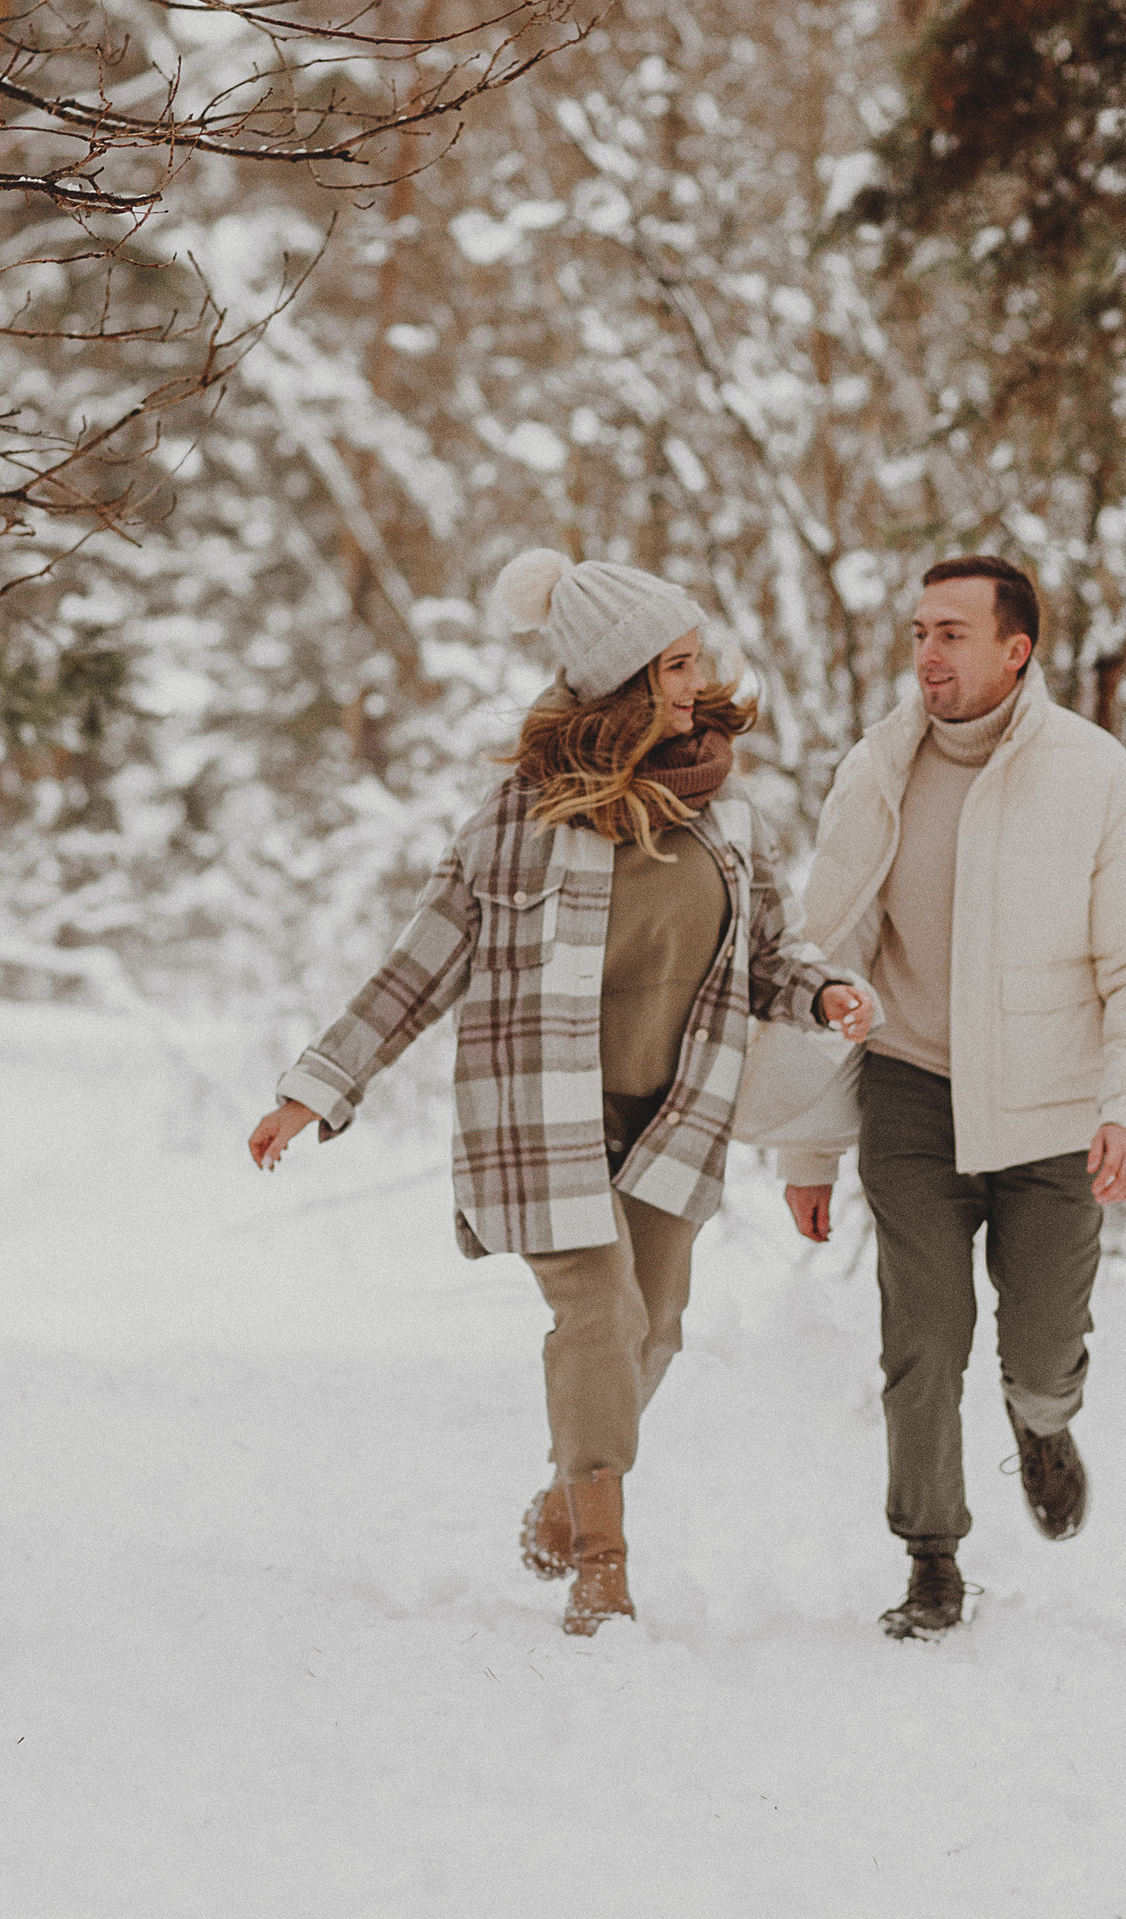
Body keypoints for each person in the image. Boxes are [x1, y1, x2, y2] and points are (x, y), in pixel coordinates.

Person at [250, 549, 875, 1637]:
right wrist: (317, 1087)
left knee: (658, 1330)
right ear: (623, 679)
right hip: (544, 1117)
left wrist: (822, 998)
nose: (696, 681)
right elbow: (420, 964)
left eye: (694, 659)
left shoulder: (729, 818)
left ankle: (564, 1494)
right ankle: (603, 1564)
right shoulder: (522, 817)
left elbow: (774, 953)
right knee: (599, 1312)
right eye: (674, 665)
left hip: (673, 1114)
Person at [781, 557, 1126, 1640]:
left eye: (954, 633)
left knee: (1042, 1340)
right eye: (920, 630)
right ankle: (931, 1557)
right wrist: (806, 1152)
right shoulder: (875, 772)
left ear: (1018, 650)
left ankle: (1042, 1419)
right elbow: (822, 960)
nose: (928, 653)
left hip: (1051, 1111)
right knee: (922, 1333)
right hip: (911, 1094)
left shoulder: (1093, 776)